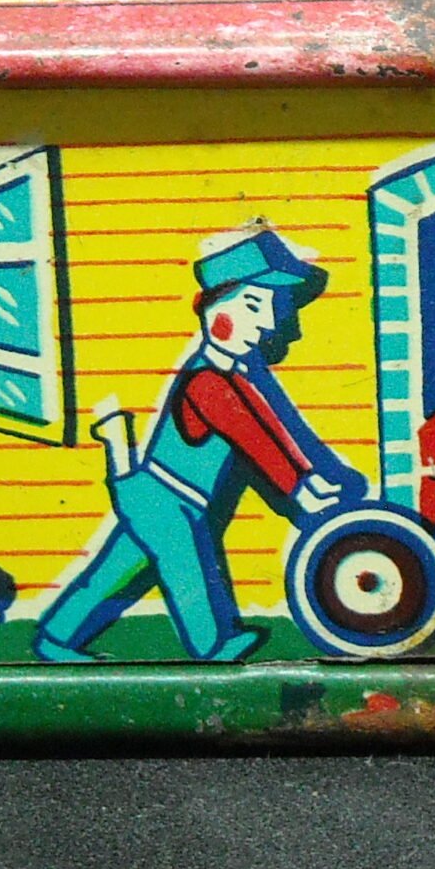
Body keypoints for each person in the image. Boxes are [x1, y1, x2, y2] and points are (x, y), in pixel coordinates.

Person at [34, 222, 366, 665]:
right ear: (213, 306)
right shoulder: (207, 382)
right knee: (185, 563)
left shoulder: (235, 375)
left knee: (115, 571)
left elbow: (271, 427)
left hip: (163, 496)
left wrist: (310, 474)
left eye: (272, 307)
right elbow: (253, 438)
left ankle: (55, 637)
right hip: (164, 498)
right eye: (253, 304)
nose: (267, 323)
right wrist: (300, 486)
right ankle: (213, 645)